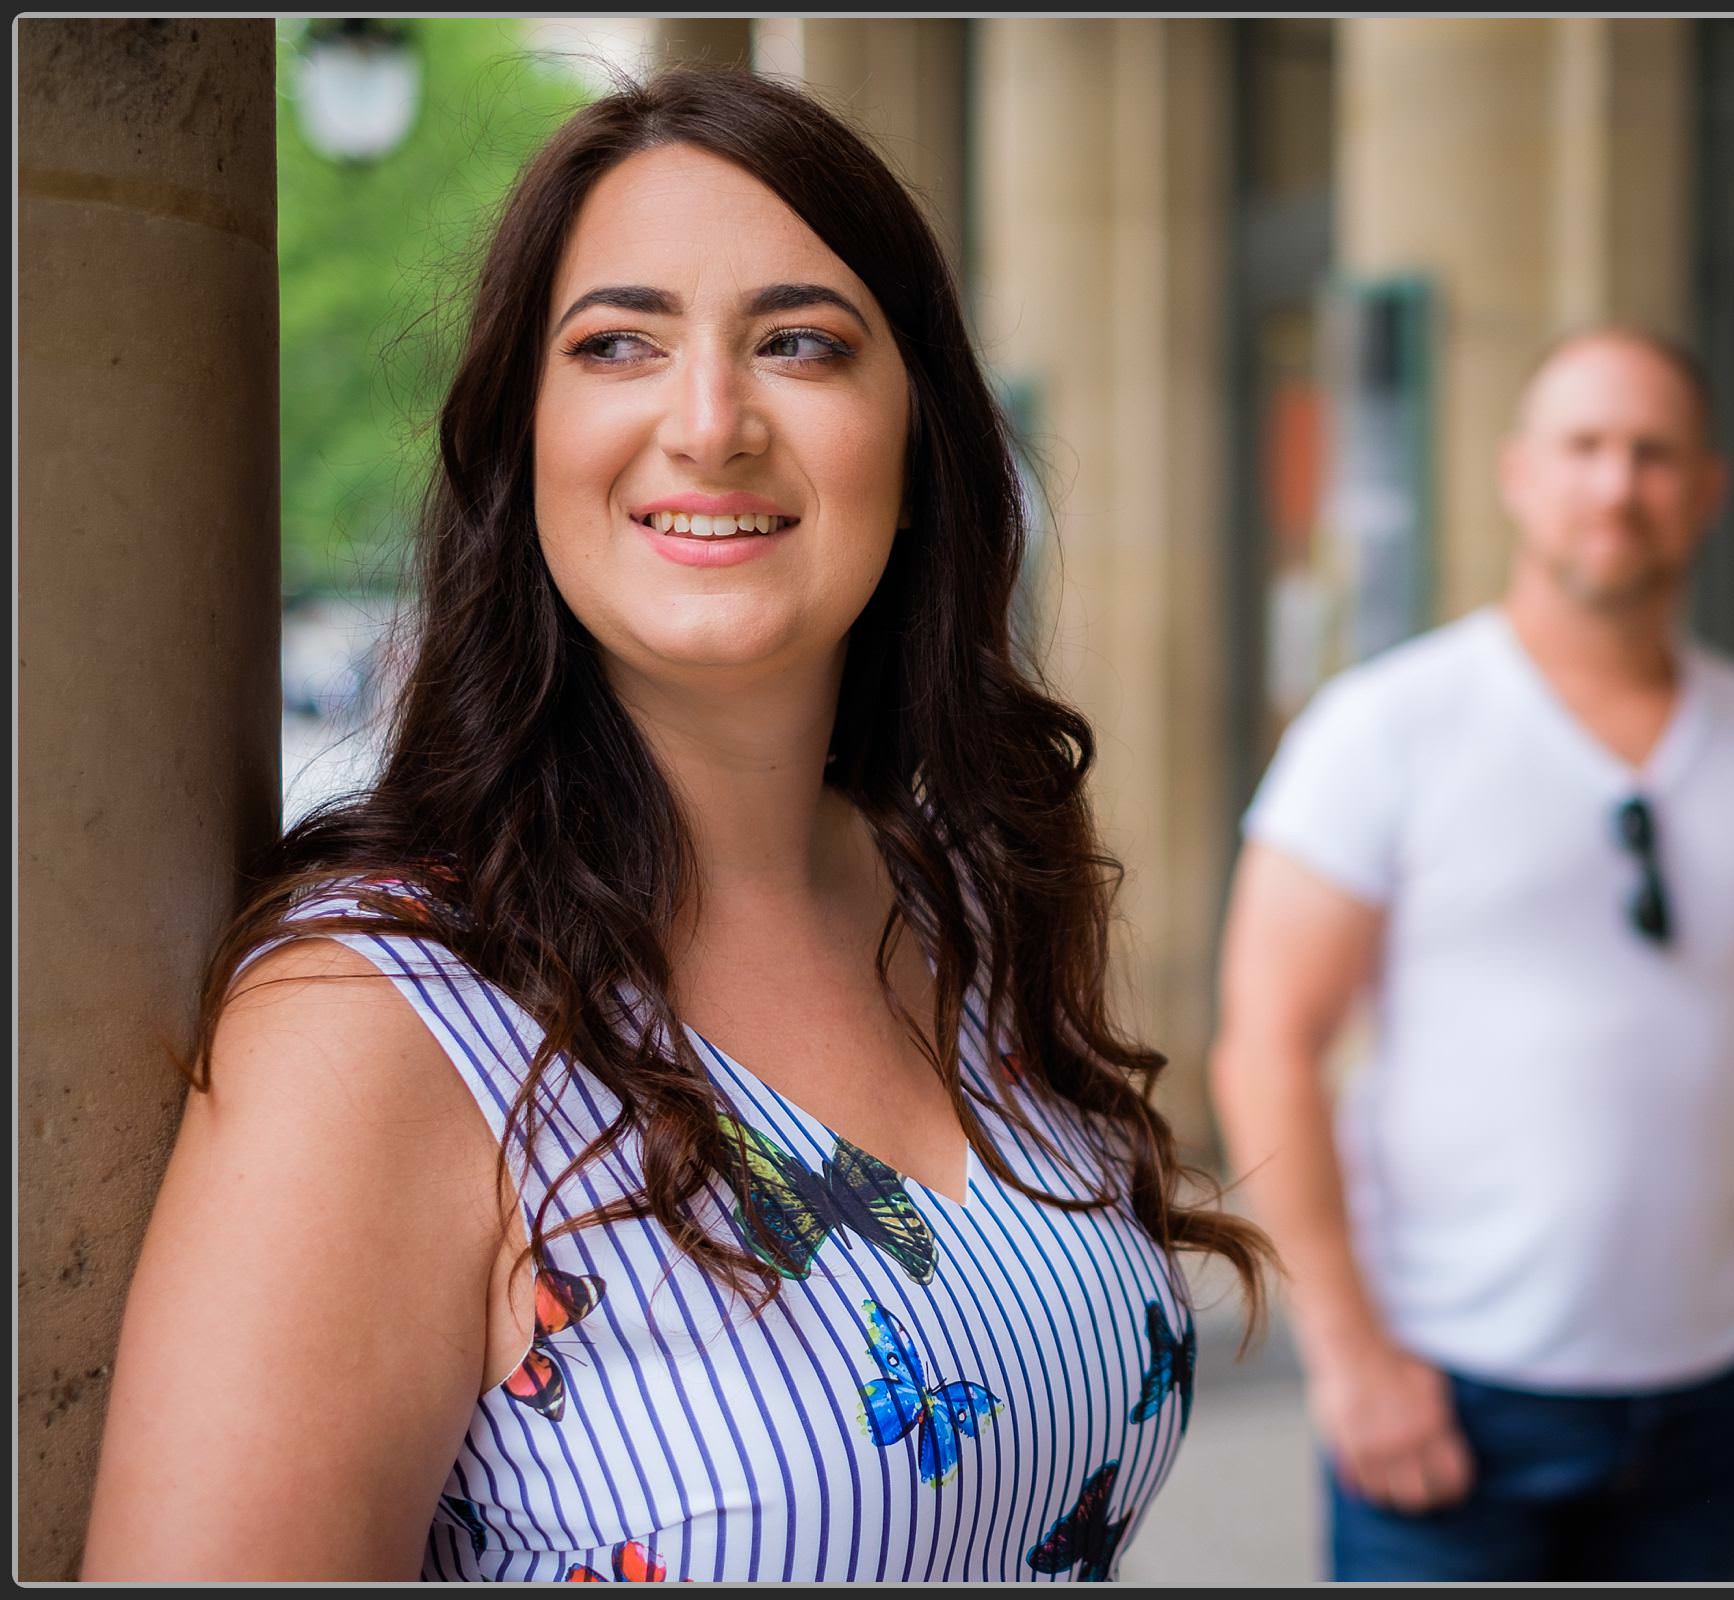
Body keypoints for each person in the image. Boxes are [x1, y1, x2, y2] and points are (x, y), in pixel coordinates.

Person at [83, 64, 1268, 1584]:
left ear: (916, 452)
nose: (708, 424)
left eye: (799, 343)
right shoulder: (379, 1019)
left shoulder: (963, 895)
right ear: (525, 448)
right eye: (619, 344)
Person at [1209, 328, 1734, 1582]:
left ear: (1709, 489)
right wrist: (1351, 1358)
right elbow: (1266, 1047)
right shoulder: (1385, 729)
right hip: (1447, 1399)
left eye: (1654, 453)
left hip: (1715, 1393)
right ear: (1519, 474)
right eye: (1585, 448)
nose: (1618, 484)